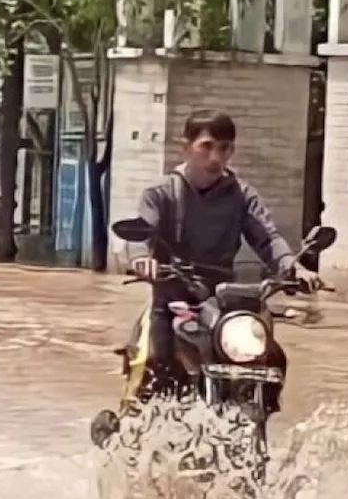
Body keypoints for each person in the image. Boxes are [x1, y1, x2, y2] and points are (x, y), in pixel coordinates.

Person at [128, 109, 319, 394]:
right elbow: (141, 231)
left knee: (272, 358)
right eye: (206, 147)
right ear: (186, 147)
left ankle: (258, 418)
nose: (216, 158)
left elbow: (267, 239)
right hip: (172, 297)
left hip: (225, 301)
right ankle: (139, 425)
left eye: (224, 148)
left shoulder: (242, 195)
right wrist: (141, 258)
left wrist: (294, 268)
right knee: (157, 365)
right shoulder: (160, 193)